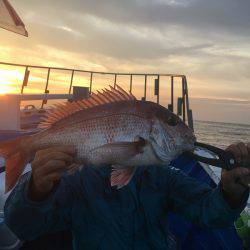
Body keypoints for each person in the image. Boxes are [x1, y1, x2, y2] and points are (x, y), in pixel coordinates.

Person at [4, 142, 250, 250]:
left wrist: (230, 191)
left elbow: (209, 213)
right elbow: (23, 226)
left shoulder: (164, 177)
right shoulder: (76, 181)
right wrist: (36, 189)